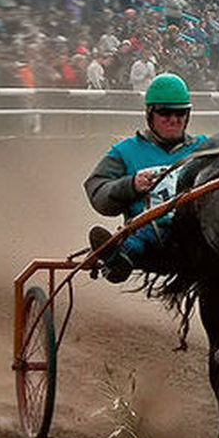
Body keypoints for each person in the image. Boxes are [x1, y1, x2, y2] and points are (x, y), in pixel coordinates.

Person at [84, 73, 209, 283]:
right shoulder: (125, 151)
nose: (174, 119)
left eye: (180, 113)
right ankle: (119, 258)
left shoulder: (204, 148)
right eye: (165, 113)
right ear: (150, 114)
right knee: (152, 227)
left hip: (196, 232)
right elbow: (97, 190)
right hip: (151, 235)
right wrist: (131, 185)